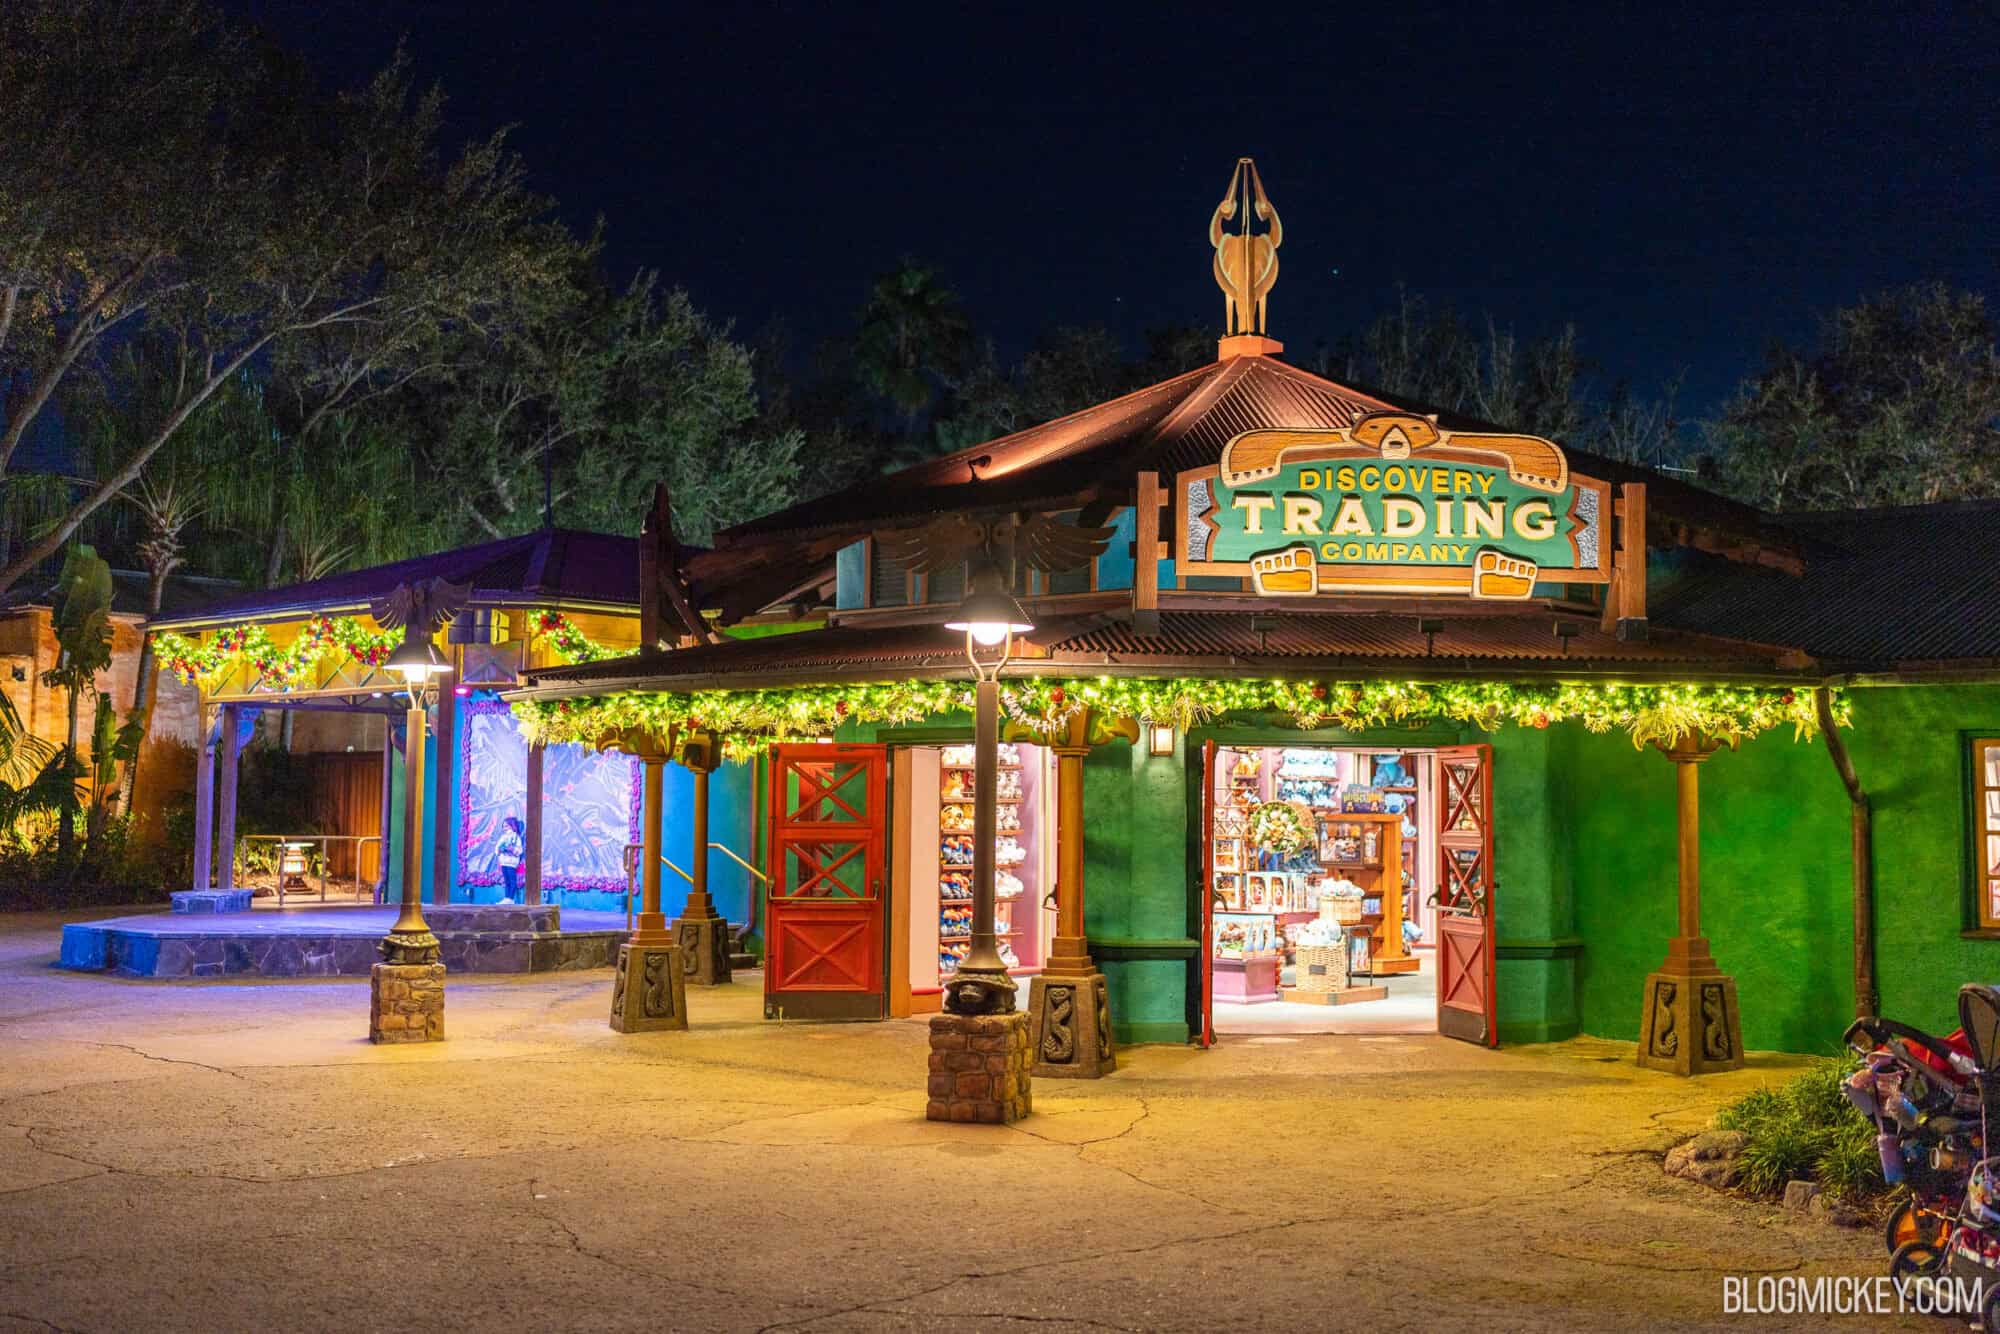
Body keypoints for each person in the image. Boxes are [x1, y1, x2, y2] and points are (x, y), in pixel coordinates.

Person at [496, 816, 526, 902]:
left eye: (506, 826)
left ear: (512, 826)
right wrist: (499, 850)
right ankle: (506, 897)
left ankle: (511, 898)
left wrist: (512, 849)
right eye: (503, 826)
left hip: (511, 862)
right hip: (504, 861)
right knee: (506, 880)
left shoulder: (516, 837)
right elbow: (497, 847)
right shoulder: (503, 837)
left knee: (512, 880)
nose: (504, 828)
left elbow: (519, 850)